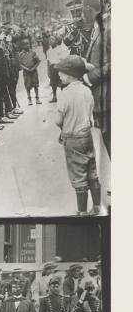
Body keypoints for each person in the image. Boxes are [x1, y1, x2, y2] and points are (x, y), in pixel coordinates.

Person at [53, 55, 101, 215]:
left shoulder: (65, 94)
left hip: (72, 139)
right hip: (87, 136)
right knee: (91, 171)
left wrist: (62, 128)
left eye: (60, 72)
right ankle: (97, 207)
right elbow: (90, 111)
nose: (59, 75)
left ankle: (82, 212)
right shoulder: (87, 90)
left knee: (78, 174)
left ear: (69, 75)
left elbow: (58, 120)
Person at [83, 0, 111, 156]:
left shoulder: (108, 27)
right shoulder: (100, 26)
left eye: (81, 9)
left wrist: (89, 76)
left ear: (88, 8)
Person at [18, 39, 41, 105]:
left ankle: (37, 98)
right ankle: (29, 99)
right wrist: (26, 68)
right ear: (22, 46)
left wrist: (34, 68)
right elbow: (20, 64)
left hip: (34, 71)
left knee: (35, 84)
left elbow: (38, 61)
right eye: (25, 44)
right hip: (26, 72)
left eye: (28, 43)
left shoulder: (33, 52)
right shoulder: (21, 54)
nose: (27, 45)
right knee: (27, 85)